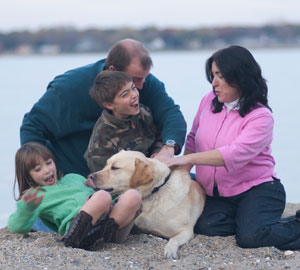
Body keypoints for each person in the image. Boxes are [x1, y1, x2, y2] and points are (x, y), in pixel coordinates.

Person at [166, 45, 300, 250]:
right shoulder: (208, 100)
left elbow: (235, 153)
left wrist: (190, 159)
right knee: (206, 226)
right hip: (218, 194)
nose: (214, 83)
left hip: (257, 189)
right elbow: (193, 137)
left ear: (239, 76)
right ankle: (254, 219)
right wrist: (184, 171)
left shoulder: (261, 117)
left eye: (220, 75)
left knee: (251, 238)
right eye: (212, 75)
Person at [20, 39, 186, 178]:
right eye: (135, 80)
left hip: (130, 179)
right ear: (113, 70)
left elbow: (170, 114)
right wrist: (37, 179)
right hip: (74, 178)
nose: (141, 87)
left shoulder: (144, 84)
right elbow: (32, 126)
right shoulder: (69, 88)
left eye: (145, 78)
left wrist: (168, 148)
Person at [8, 142, 142, 249]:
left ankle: (102, 236)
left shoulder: (73, 177)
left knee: (133, 195)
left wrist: (96, 188)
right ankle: (76, 239)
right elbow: (16, 227)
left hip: (110, 230)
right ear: (28, 176)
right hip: (80, 232)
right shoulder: (34, 195)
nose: (47, 170)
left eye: (49, 163)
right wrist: (27, 209)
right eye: (38, 169)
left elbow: (107, 201)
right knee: (102, 197)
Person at [84, 70, 162, 172]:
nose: (134, 95)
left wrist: (158, 152)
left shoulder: (143, 112)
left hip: (152, 168)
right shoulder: (102, 138)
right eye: (125, 94)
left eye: (133, 88)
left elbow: (158, 136)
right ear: (109, 105)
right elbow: (103, 177)